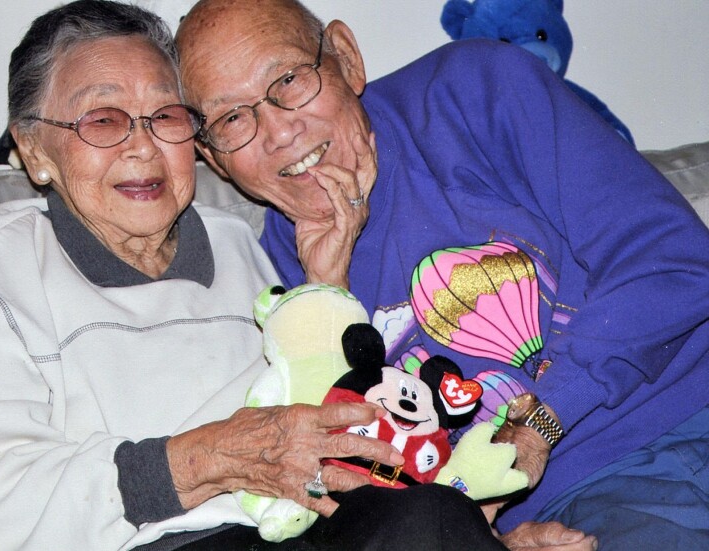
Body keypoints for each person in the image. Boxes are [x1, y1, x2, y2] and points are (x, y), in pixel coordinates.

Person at [0, 1, 510, 550]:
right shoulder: (4, 259)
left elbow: (320, 419)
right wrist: (203, 458)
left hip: (296, 530)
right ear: (35, 150)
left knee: (429, 516)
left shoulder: (236, 242)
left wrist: (324, 281)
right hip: (158, 543)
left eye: (165, 116)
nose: (142, 147)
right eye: (103, 120)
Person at [176, 0, 709, 549]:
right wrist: (329, 290)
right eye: (233, 118)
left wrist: (541, 420)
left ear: (346, 59)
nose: (279, 131)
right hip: (583, 502)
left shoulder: (473, 91)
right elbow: (359, 487)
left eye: (288, 80)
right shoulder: (281, 285)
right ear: (214, 159)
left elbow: (672, 257)